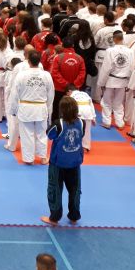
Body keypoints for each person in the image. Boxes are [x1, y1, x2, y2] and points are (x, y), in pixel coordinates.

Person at [43, 96, 84, 225]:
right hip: (75, 162)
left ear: (62, 110)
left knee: (54, 188)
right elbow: (82, 135)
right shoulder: (82, 122)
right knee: (75, 190)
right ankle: (74, 216)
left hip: (58, 163)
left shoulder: (58, 124)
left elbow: (49, 135)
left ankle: (54, 217)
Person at [7, 50, 53, 165]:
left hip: (26, 108)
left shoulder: (21, 75)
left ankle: (29, 159)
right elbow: (51, 94)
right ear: (39, 61)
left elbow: (14, 94)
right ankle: (43, 158)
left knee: (27, 134)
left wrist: (13, 109)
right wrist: (48, 107)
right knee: (41, 134)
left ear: (28, 61)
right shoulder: (46, 75)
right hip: (41, 107)